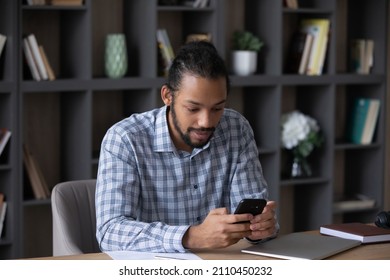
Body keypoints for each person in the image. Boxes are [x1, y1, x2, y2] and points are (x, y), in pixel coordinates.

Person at [95, 40, 279, 253]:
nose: (206, 122)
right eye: (193, 108)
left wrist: (261, 227)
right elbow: (110, 232)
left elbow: (254, 213)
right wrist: (191, 236)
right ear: (167, 96)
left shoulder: (236, 129)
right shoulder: (124, 139)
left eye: (217, 108)